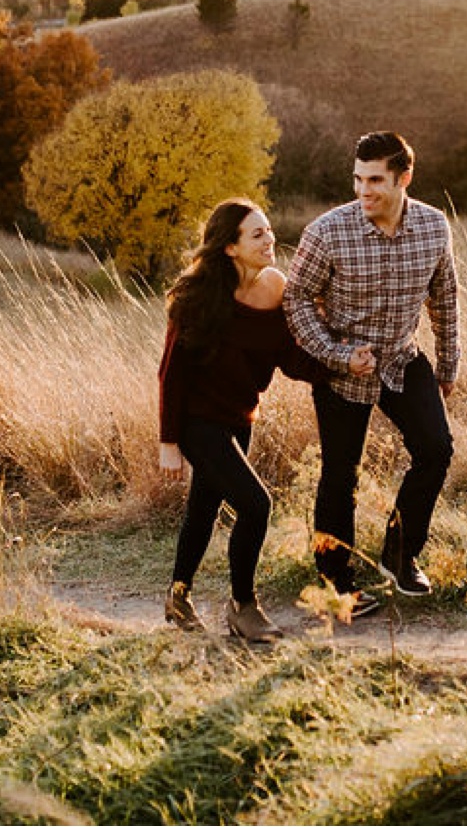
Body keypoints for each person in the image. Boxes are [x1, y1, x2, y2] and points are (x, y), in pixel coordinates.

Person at [284, 131, 460, 616]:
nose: (364, 190)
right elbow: (295, 300)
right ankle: (336, 585)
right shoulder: (327, 231)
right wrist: (336, 353)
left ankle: (401, 555)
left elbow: (444, 297)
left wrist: (447, 364)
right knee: (340, 477)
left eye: (376, 180)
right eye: (359, 179)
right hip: (342, 368)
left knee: (436, 449)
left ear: (404, 178)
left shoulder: (433, 227)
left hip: (403, 358)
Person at [158, 198, 329, 641]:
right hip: (198, 423)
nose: (269, 239)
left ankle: (178, 597)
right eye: (257, 234)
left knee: (204, 508)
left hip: (239, 418)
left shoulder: (276, 288)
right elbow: (171, 373)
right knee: (257, 504)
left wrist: (340, 366)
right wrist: (169, 443)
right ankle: (243, 606)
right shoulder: (197, 297)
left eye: (269, 230)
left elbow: (289, 357)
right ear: (230, 248)